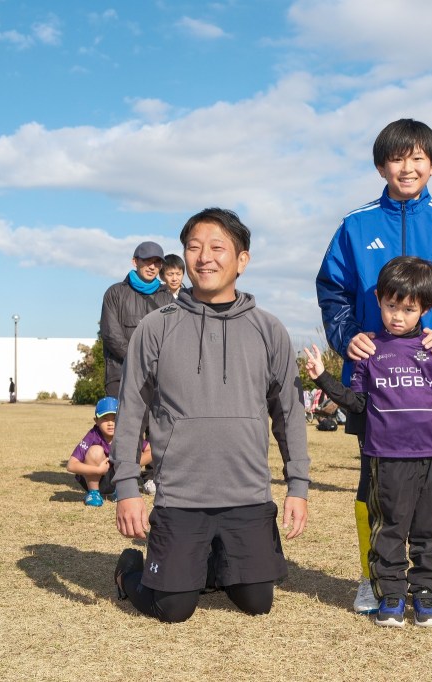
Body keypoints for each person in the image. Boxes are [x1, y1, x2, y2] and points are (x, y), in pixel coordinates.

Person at [315, 118, 432, 615]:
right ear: (381, 166)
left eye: (417, 158)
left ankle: (427, 583)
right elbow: (331, 290)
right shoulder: (356, 225)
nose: (407, 167)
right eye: (397, 158)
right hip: (374, 384)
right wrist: (348, 335)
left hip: (430, 385)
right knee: (374, 484)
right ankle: (373, 577)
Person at [111, 208, 310, 623]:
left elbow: (289, 413)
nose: (204, 257)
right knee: (173, 608)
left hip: (248, 496)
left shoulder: (269, 329)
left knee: (257, 601)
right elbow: (130, 410)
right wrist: (127, 487)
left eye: (217, 247)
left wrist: (298, 485)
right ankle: (129, 570)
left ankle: (206, 562)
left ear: (242, 260)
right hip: (181, 497)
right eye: (194, 247)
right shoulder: (155, 326)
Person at [305, 256, 432, 627]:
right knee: (388, 527)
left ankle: (426, 595)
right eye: (391, 306)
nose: (398, 316)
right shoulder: (370, 351)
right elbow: (357, 403)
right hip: (385, 458)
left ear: (425, 308)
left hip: (431, 459)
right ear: (378, 299)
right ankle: (390, 594)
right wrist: (322, 378)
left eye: (408, 309)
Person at [99, 240, 175, 398]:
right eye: (147, 260)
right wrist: (137, 359)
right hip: (120, 375)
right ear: (135, 261)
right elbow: (110, 334)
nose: (152, 266)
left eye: (157, 262)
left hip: (155, 379)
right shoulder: (115, 293)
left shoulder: (167, 298)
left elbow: (173, 336)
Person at [67, 397, 142, 507]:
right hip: (96, 478)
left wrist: (132, 464)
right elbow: (71, 465)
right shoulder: (92, 435)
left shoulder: (124, 434)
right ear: (96, 421)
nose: (110, 423)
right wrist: (98, 470)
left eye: (114, 418)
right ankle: (93, 493)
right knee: (95, 451)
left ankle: (121, 490)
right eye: (105, 418)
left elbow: (149, 450)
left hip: (119, 479)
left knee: (127, 451)